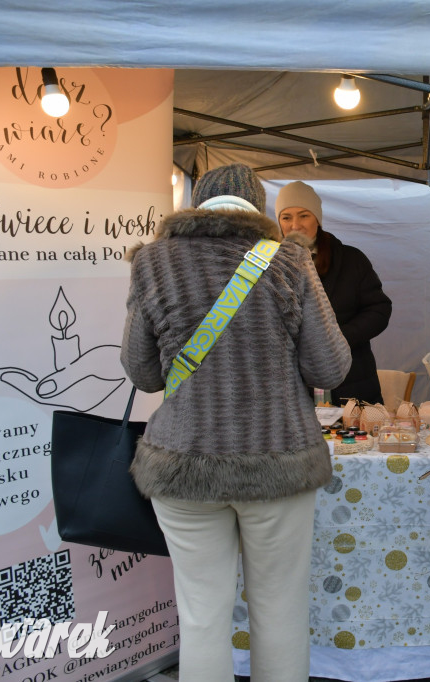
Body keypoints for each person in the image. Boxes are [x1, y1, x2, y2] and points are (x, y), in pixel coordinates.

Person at [121, 164, 351, 682]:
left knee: (201, 617)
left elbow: (142, 373)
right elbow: (330, 367)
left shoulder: (153, 262)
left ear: (196, 205)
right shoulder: (291, 260)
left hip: (183, 466)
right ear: (260, 208)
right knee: (280, 611)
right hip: (278, 463)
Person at [275, 181, 392, 404]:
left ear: (317, 218)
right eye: (286, 217)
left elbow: (379, 309)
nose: (295, 225)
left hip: (351, 377)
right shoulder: (268, 263)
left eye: (304, 215)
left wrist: (338, 338)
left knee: (354, 438)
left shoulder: (351, 259)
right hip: (292, 383)